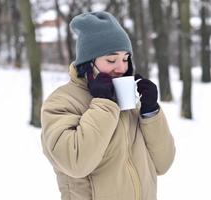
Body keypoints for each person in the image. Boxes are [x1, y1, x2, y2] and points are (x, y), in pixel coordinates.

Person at [41, 11, 175, 200]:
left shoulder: (128, 101)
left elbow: (163, 163)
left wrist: (150, 112)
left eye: (125, 59)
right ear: (88, 64)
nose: (121, 68)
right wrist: (103, 105)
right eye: (111, 60)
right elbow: (76, 163)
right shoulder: (61, 103)